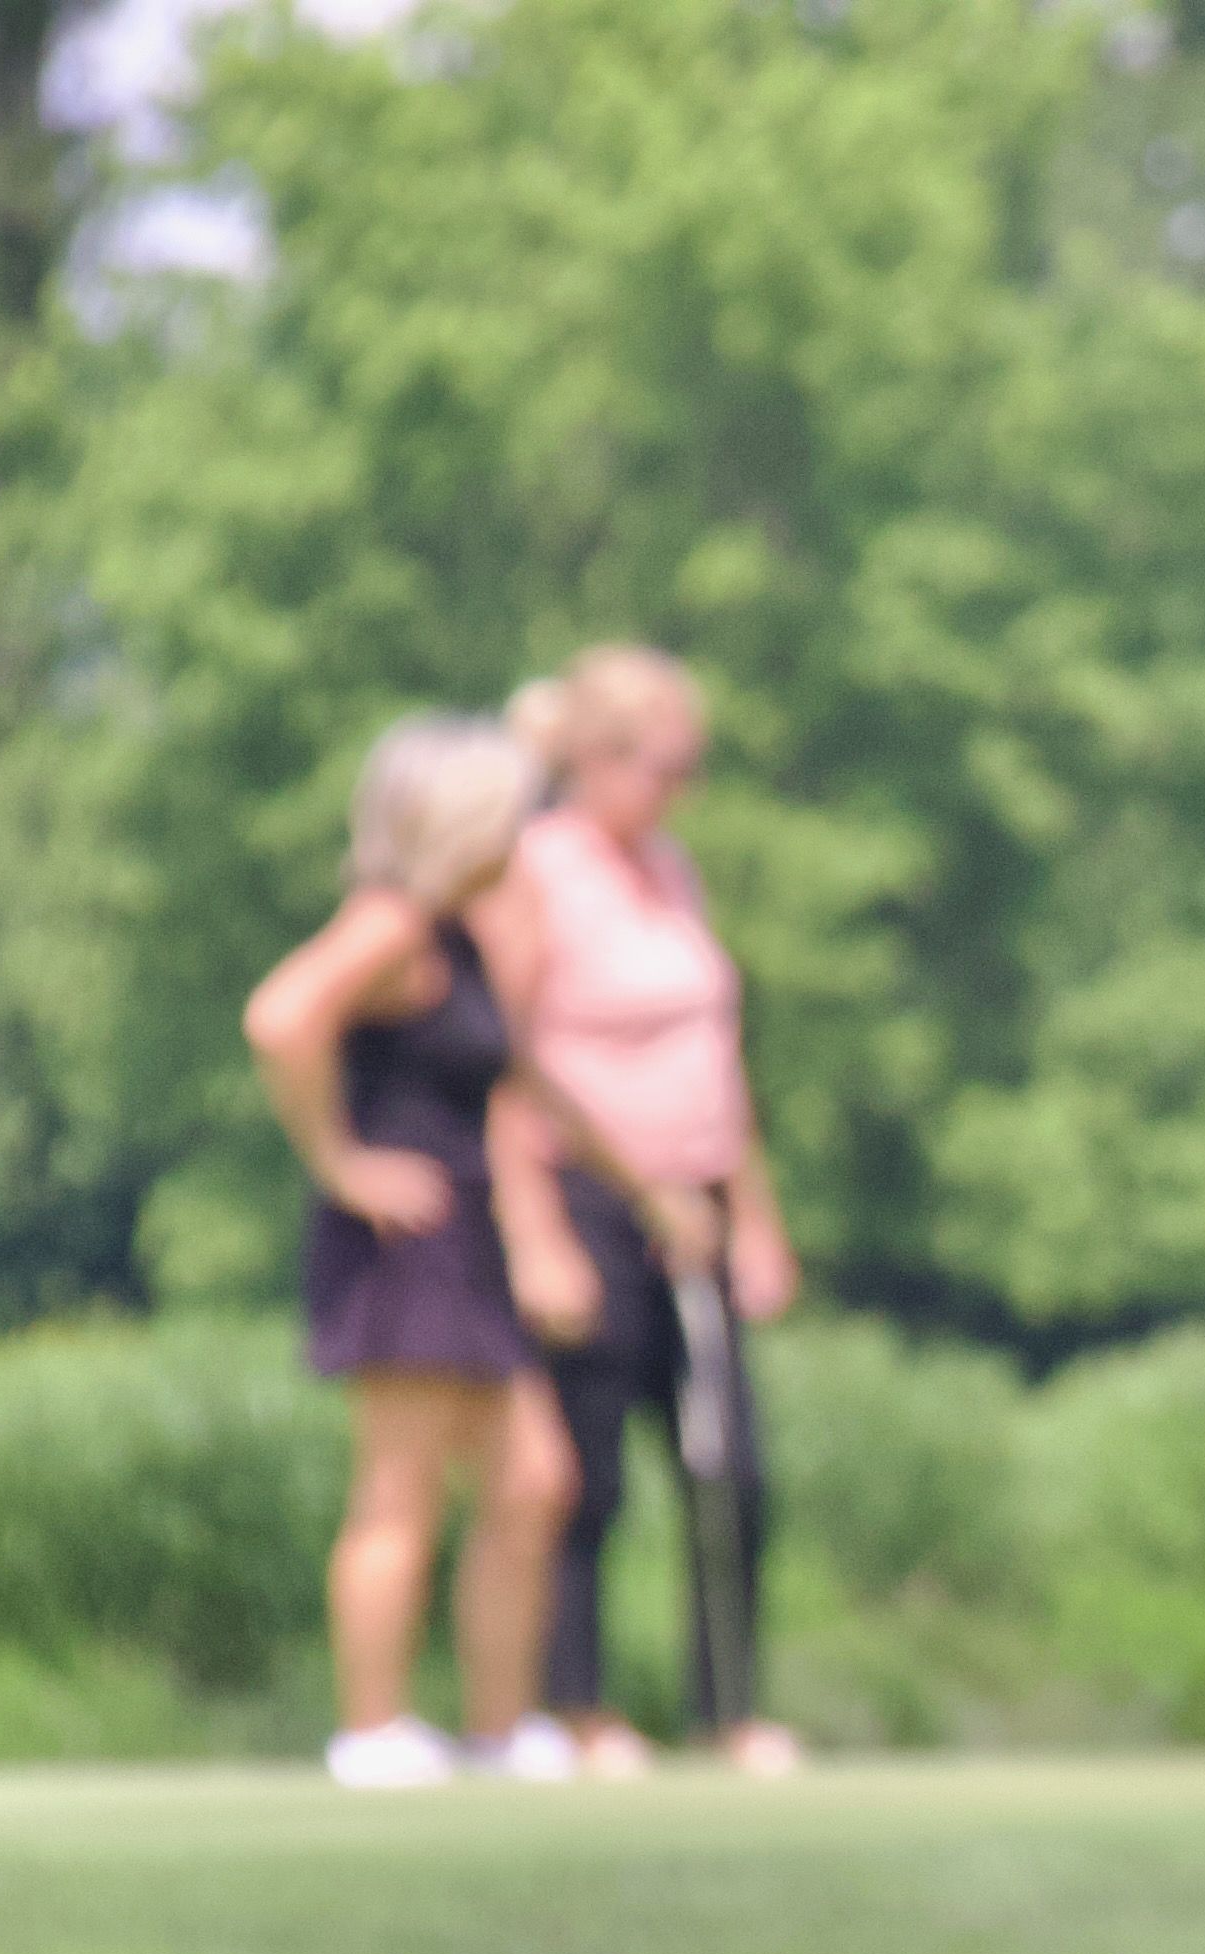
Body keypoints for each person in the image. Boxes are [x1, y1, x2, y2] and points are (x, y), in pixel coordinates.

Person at [243, 714, 598, 1788]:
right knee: (397, 1493)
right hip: (404, 1244)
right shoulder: (391, 923)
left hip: (471, 1238)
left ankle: (499, 1727)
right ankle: (373, 1729)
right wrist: (339, 1160)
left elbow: (522, 1074)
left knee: (534, 1481)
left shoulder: (458, 932)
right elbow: (281, 1017)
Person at [487, 644, 806, 1776]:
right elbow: (507, 1062)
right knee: (587, 1471)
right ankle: (579, 1710)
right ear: (600, 759)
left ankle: (731, 1707)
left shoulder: (671, 869)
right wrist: (532, 1231)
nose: (685, 787)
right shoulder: (536, 869)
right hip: (589, 1197)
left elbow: (716, 1058)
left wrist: (755, 1215)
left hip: (699, 1199)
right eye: (672, 764)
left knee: (732, 1467)